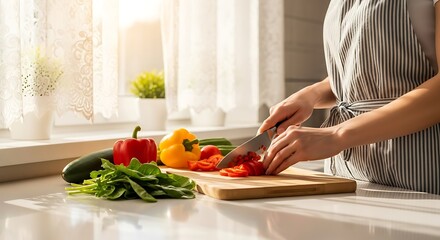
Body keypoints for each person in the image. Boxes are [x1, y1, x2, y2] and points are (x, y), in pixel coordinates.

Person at [258, 0, 440, 195]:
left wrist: (336, 135)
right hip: (345, 170)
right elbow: (361, 70)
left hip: (418, 171)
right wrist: (312, 94)